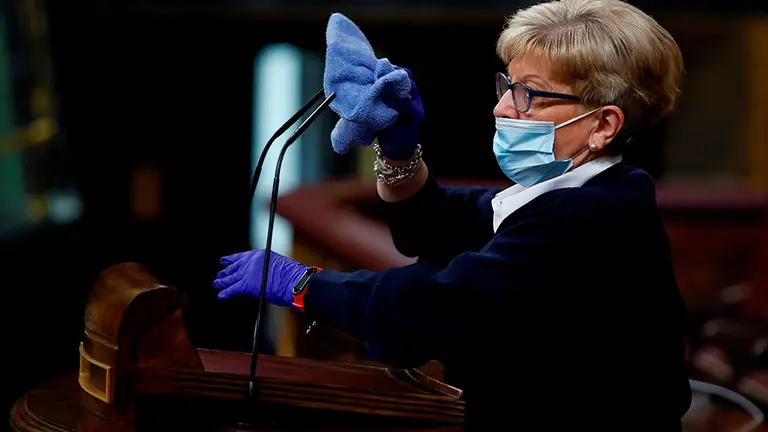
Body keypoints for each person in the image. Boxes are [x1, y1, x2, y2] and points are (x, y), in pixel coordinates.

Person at [213, 0, 691, 428]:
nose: (503, 106)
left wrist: (300, 286)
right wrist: (398, 150)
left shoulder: (596, 216)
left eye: (529, 93)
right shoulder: (589, 193)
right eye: (507, 84)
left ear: (603, 124)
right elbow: (442, 225)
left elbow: (440, 307)